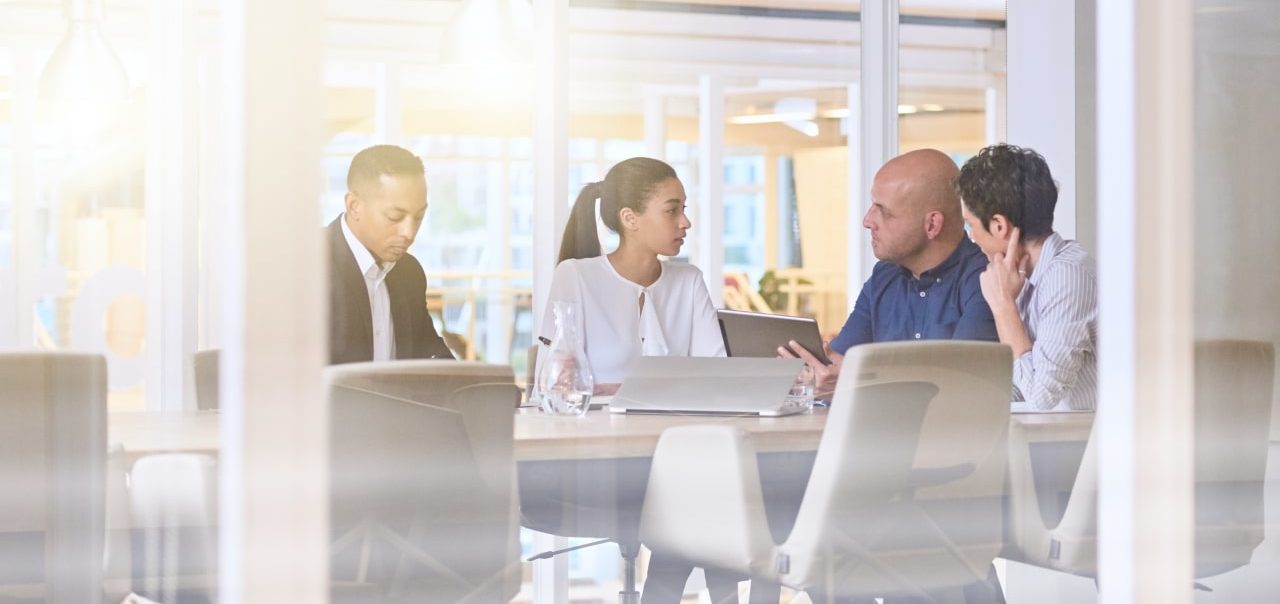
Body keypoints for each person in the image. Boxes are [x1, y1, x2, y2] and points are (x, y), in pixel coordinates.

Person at [538, 157, 740, 604]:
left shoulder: (688, 282)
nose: (685, 222)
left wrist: (614, 387)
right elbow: (553, 389)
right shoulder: (577, 277)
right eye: (672, 210)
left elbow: (718, 377)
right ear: (630, 219)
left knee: (703, 491)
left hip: (679, 458)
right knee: (703, 499)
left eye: (684, 208)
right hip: (601, 462)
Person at [781, 148, 998, 398]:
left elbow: (958, 385)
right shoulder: (884, 277)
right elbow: (839, 365)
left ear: (932, 224)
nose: (867, 220)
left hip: (951, 435)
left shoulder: (984, 279)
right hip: (879, 433)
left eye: (883, 211)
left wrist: (854, 383)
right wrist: (816, 372)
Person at [956, 144, 1097, 411]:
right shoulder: (1023, 277)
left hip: (1091, 445)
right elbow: (1021, 387)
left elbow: (1041, 398)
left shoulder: (1066, 276)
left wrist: (1003, 308)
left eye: (970, 225)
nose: (971, 237)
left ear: (999, 226)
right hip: (1058, 439)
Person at [327, 144, 454, 365]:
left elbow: (430, 351)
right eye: (395, 216)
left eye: (419, 217)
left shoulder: (409, 272)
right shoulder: (309, 265)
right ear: (354, 206)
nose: (409, 232)